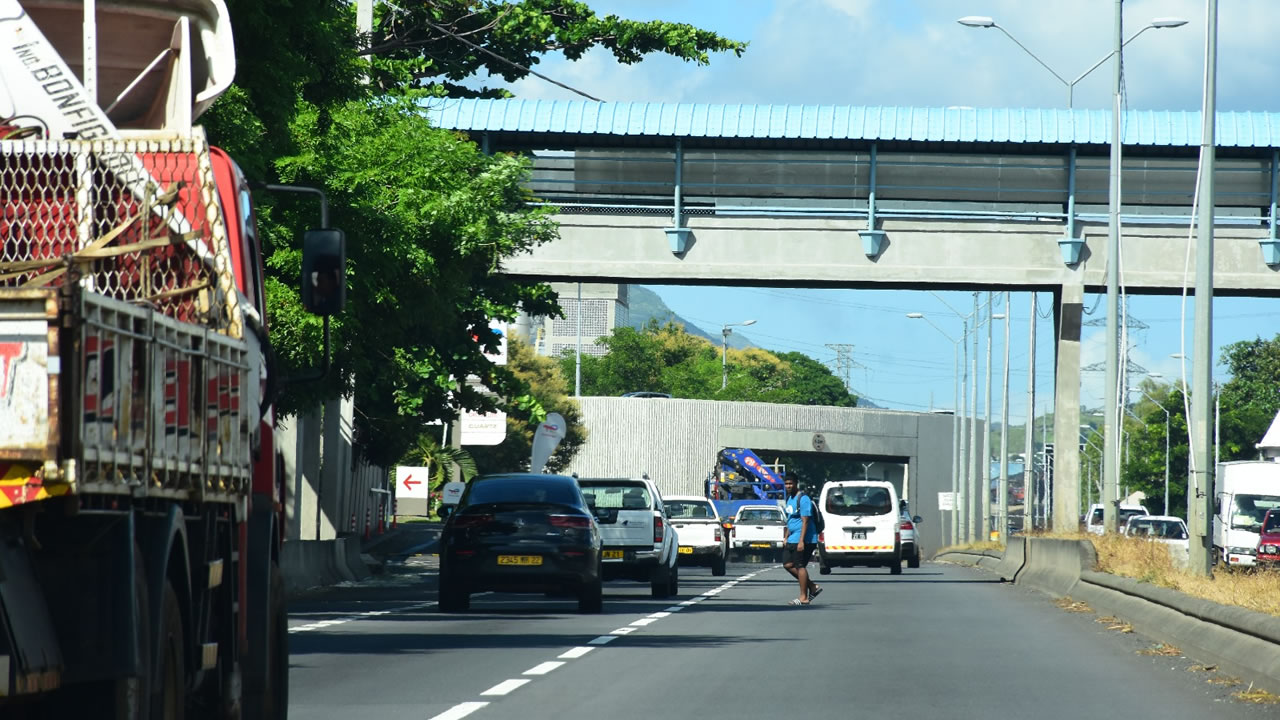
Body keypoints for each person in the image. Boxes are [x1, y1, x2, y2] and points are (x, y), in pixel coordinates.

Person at [782, 472, 821, 606]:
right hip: (792, 538)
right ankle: (812, 586)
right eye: (786, 484)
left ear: (796, 483)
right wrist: (786, 537)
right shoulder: (789, 499)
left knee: (800, 566)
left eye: (790, 483)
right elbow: (790, 519)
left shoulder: (803, 499)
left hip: (804, 539)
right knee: (787, 564)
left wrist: (801, 541)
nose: (788, 486)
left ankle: (803, 597)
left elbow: (805, 521)